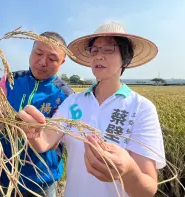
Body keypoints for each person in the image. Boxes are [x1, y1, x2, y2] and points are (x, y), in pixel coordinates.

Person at [16, 22, 166, 197]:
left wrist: (128, 170)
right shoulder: (73, 102)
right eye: (94, 50)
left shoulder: (141, 108)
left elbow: (147, 190)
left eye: (108, 49)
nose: (99, 56)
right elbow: (44, 141)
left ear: (125, 58)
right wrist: (33, 130)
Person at [0, 32, 73, 196]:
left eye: (52, 59)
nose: (42, 62)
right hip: (4, 175)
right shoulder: (9, 81)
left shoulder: (66, 96)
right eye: (38, 53)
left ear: (62, 62)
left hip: (42, 180)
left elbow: (54, 141)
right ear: (31, 52)